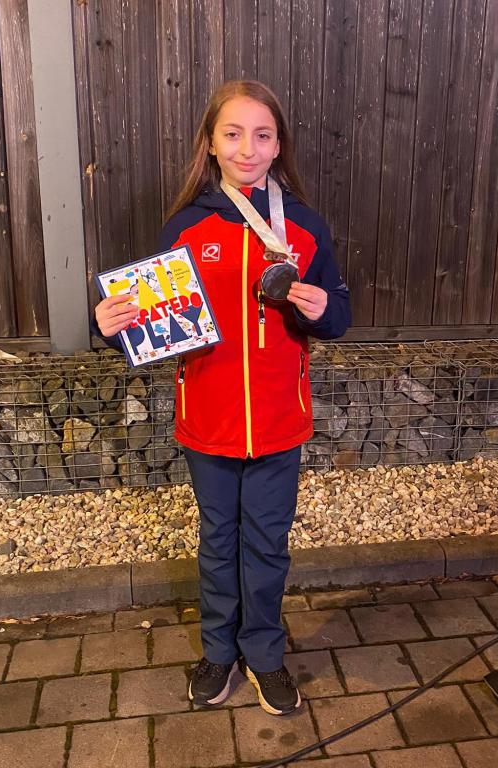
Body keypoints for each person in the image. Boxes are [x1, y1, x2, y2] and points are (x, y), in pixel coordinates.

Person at [93, 80, 351, 715]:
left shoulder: (306, 226)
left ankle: (263, 654)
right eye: (232, 134)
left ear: (278, 145)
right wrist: (107, 324)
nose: (247, 148)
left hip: (279, 421)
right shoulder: (187, 226)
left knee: (266, 544)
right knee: (218, 542)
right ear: (210, 143)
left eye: (262, 135)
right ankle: (218, 651)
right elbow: (152, 321)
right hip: (207, 419)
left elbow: (338, 315)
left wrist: (323, 309)